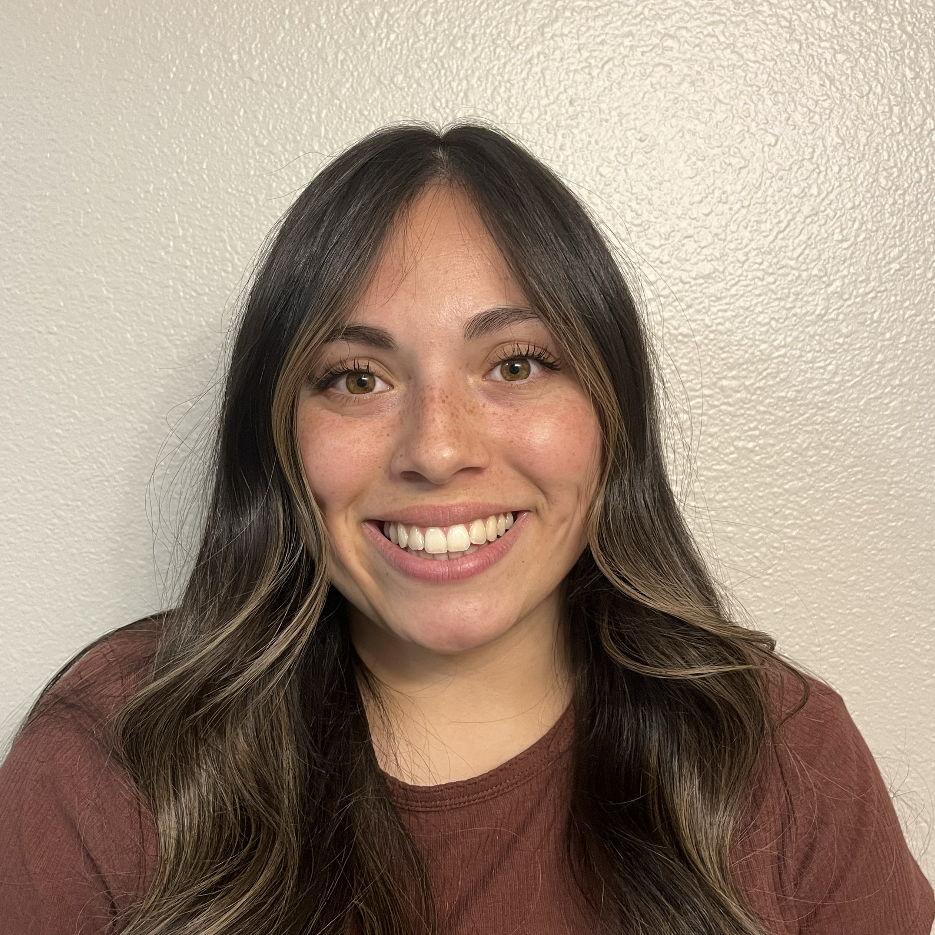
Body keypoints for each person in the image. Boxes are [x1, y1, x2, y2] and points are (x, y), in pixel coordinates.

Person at [1, 121, 932, 935]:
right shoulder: (118, 751)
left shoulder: (779, 751)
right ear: (276, 432)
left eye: (515, 364)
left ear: (611, 413)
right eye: (357, 378)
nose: (438, 449)